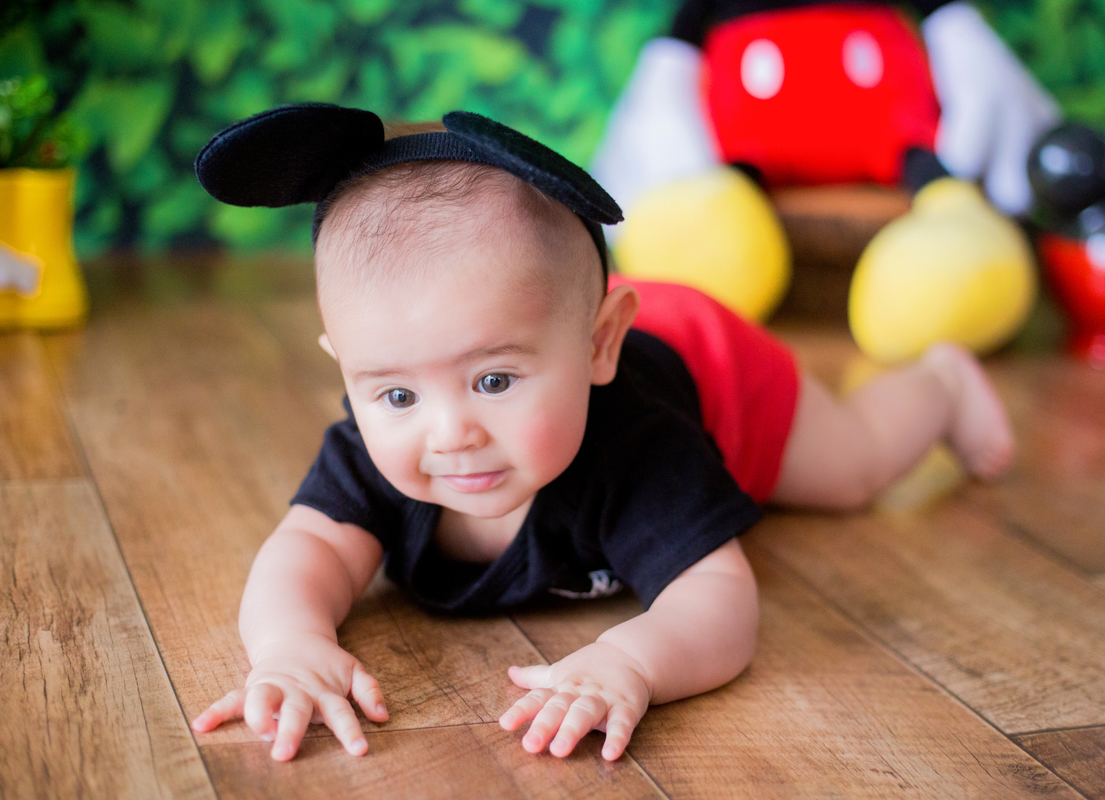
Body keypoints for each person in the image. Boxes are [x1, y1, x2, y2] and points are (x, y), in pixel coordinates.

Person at [189, 105, 1014, 763]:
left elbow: (718, 600)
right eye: (396, 392)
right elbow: (311, 549)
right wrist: (290, 642)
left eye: (495, 380)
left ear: (598, 342)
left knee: (850, 470)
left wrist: (632, 661)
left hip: (715, 370)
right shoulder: (370, 453)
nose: (450, 433)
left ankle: (940, 384)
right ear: (348, 372)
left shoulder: (638, 448)